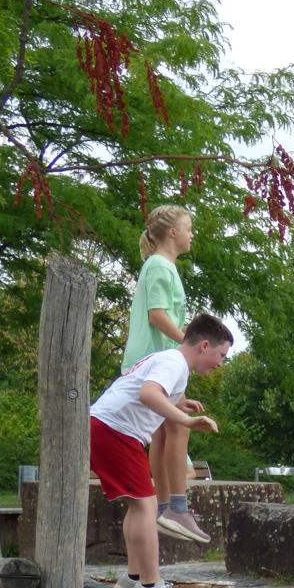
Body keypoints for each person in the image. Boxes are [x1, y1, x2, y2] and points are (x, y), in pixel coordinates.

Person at [89, 314, 232, 588]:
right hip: (115, 430)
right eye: (221, 355)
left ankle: (133, 579)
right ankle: (150, 586)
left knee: (139, 505)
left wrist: (177, 403)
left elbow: (143, 389)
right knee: (146, 506)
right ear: (204, 346)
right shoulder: (174, 363)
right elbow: (148, 393)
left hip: (108, 427)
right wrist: (186, 419)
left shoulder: (169, 360)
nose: (221, 362)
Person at [121, 204, 208, 544]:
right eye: (188, 228)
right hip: (156, 359)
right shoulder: (159, 265)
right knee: (178, 426)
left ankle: (163, 507)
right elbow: (157, 315)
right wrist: (188, 344)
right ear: (172, 232)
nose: (192, 234)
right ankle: (177, 507)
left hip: (154, 358)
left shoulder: (161, 266)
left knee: (162, 432)